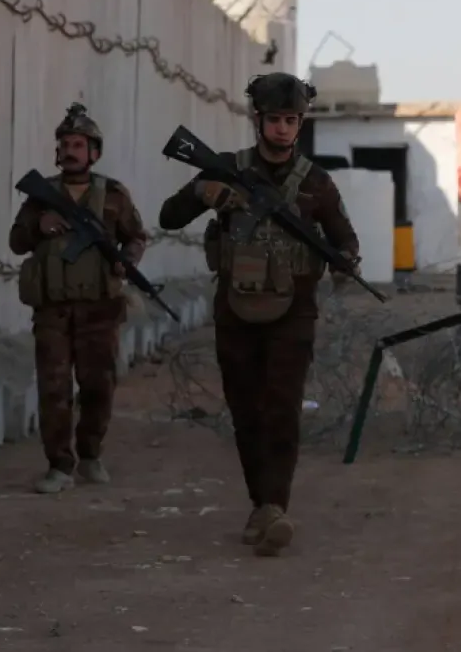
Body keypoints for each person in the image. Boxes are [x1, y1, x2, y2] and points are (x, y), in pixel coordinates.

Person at [157, 72, 360, 557]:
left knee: (281, 410)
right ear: (259, 121)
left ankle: (275, 507)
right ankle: (261, 506)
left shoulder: (315, 182)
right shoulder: (227, 168)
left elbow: (344, 238)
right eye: (275, 120)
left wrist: (346, 260)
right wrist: (205, 194)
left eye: (291, 121)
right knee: (247, 412)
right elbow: (168, 216)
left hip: (294, 312)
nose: (283, 130)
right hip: (236, 310)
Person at [9, 104, 149, 494]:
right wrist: (39, 225)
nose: (71, 151)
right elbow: (16, 241)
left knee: (98, 386)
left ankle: (90, 455)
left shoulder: (113, 195)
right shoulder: (42, 196)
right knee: (54, 388)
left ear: (94, 153)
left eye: (79, 145)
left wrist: (128, 261)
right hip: (53, 310)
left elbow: (136, 236)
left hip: (99, 311)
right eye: (65, 144)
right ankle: (59, 464)